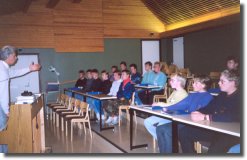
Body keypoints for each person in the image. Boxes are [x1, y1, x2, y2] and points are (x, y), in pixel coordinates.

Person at [178, 70, 240, 154]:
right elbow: (210, 107)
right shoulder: (222, 95)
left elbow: (231, 116)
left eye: (222, 81)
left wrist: (205, 117)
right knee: (184, 132)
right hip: (217, 129)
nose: (219, 83)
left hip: (231, 134)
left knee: (215, 148)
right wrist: (197, 112)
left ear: (233, 82)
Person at [156, 75, 213, 153]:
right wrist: (168, 107)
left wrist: (168, 107)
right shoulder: (192, 94)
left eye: (195, 83)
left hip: (196, 123)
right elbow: (181, 104)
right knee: (159, 128)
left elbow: (199, 111)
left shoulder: (208, 97)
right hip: (187, 120)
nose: (193, 84)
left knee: (166, 130)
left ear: (203, 85)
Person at [0, 45, 41, 153]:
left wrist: (29, 69)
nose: (16, 58)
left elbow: (13, 73)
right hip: (0, 108)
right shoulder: (2, 70)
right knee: (3, 136)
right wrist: (6, 110)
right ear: (9, 56)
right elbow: (3, 93)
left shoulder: (2, 67)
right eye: (14, 56)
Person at [144, 73, 188, 140]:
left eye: (172, 80)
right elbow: (168, 103)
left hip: (175, 117)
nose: (170, 82)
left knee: (155, 124)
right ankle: (161, 139)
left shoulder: (183, 94)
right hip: (168, 114)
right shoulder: (175, 92)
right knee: (147, 121)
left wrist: (159, 103)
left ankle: (163, 140)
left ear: (179, 82)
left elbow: (173, 105)